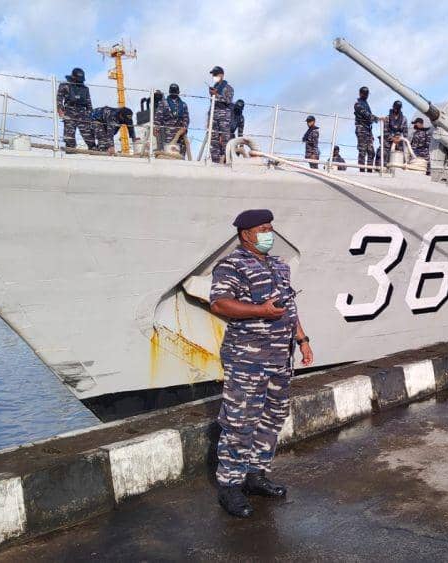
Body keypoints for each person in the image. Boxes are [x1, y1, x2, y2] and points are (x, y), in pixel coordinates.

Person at [210, 209, 314, 519]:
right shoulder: (231, 265)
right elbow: (219, 303)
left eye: (271, 227)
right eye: (263, 228)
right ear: (246, 235)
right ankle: (229, 486)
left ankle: (255, 474)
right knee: (240, 421)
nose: (269, 232)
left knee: (273, 416)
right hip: (248, 358)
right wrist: (259, 311)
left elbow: (289, 308)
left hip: (281, 357)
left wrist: (303, 340)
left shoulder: (280, 266)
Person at [56, 67, 95, 150]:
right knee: (69, 136)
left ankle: (93, 149)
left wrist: (91, 115)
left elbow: (89, 103)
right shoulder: (64, 85)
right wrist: (60, 109)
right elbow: (59, 97)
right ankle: (70, 151)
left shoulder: (85, 89)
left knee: (88, 134)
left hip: (82, 112)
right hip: (69, 110)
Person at [208, 66, 234, 163]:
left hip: (224, 116)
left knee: (225, 139)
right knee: (213, 140)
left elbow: (228, 101)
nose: (214, 76)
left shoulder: (228, 88)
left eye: (216, 74)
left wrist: (216, 95)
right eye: (213, 75)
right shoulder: (214, 87)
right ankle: (215, 161)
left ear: (222, 75)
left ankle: (226, 161)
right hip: (214, 115)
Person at [159, 83, 189, 156]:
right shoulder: (163, 103)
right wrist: (156, 128)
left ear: (178, 92)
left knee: (181, 153)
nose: (174, 92)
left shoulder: (183, 104)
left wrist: (184, 127)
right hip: (168, 132)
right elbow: (158, 117)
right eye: (172, 90)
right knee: (169, 152)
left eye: (175, 90)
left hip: (181, 132)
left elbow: (186, 117)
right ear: (169, 91)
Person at [353, 86, 378, 172]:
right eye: (364, 94)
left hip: (368, 130)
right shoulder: (358, 104)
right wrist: (377, 119)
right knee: (362, 151)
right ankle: (362, 171)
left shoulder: (366, 104)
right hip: (361, 129)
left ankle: (370, 170)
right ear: (360, 94)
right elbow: (366, 114)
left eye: (367, 94)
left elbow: (369, 116)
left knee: (371, 152)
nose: (366, 95)